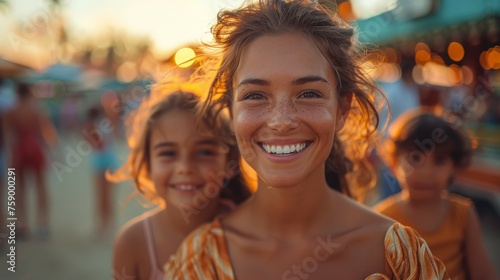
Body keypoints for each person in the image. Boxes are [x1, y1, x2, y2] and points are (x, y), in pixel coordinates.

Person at [164, 1, 448, 279]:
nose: (281, 121)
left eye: (309, 93)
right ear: (231, 110)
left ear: (342, 110)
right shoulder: (198, 262)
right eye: (255, 96)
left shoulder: (398, 257)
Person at [112, 88, 251, 280]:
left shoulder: (251, 233)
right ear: (147, 164)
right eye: (168, 153)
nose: (185, 168)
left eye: (204, 152)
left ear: (230, 162)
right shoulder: (133, 242)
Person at [373, 109, 497, 280]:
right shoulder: (382, 220)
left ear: (455, 166)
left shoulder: (463, 214)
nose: (426, 172)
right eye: (415, 159)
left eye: (439, 160)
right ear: (393, 164)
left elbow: (483, 275)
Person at [3, 82, 58, 239]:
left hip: (19, 148)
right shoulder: (37, 109)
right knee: (41, 186)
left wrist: (10, 154)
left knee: (20, 189)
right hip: (35, 148)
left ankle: (23, 224)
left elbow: (8, 137)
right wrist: (53, 151)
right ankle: (43, 223)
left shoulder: (11, 111)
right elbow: (47, 132)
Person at [85, 105, 120, 237]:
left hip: (101, 160)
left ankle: (104, 225)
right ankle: (106, 225)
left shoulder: (99, 121)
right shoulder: (104, 121)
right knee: (106, 196)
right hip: (107, 159)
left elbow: (88, 140)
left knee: (102, 196)